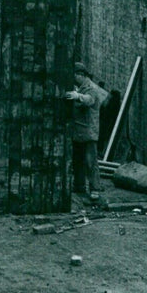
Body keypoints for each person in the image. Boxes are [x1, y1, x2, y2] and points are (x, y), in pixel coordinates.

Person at [65, 62, 110, 206]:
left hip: (88, 131)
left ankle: (95, 188)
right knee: (78, 160)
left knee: (91, 161)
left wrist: (78, 96)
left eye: (75, 76)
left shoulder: (91, 88)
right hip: (78, 131)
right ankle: (79, 186)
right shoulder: (80, 87)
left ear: (81, 75)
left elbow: (89, 100)